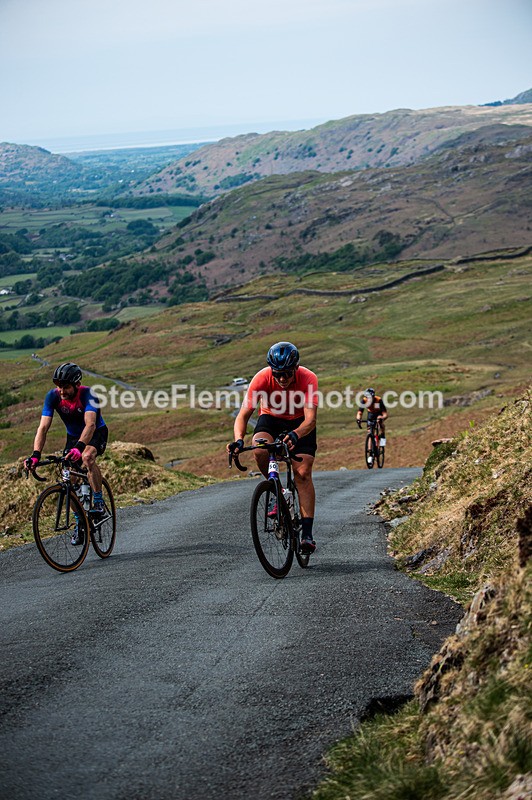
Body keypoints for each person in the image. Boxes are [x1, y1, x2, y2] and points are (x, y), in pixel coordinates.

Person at [227, 341, 318, 554]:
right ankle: (277, 490)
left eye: (287, 373)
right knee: (259, 450)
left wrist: (296, 434)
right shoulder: (261, 378)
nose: (282, 379)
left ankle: (307, 534)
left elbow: (311, 419)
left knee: (302, 473)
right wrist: (239, 440)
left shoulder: (308, 378)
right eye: (278, 374)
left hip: (300, 424)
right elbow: (243, 415)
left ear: (295, 368)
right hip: (270, 419)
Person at [24, 362, 109, 545]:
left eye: (66, 387)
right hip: (73, 437)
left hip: (95, 433)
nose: (61, 390)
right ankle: (80, 523)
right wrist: (36, 454)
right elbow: (43, 427)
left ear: (77, 385)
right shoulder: (52, 397)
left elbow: (91, 425)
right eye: (59, 386)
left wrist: (79, 448)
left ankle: (99, 502)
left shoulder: (89, 395)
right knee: (67, 479)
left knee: (87, 457)